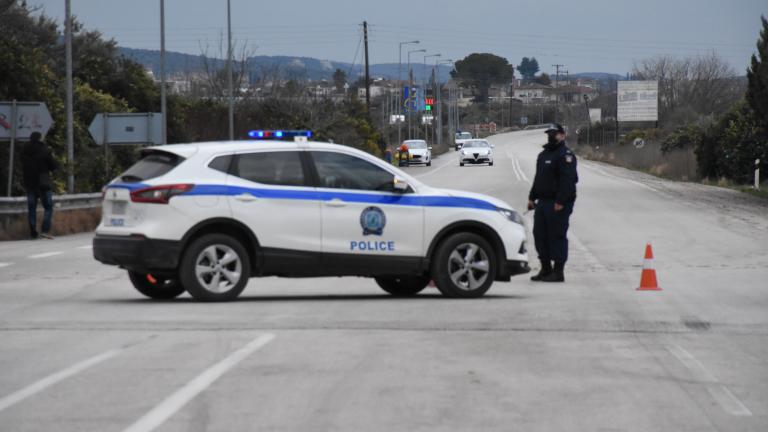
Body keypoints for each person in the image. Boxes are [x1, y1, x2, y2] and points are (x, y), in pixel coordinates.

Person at [527, 123, 578, 282]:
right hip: (542, 202)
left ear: (562, 135)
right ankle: (546, 268)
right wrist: (531, 197)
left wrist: (561, 201)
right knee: (539, 235)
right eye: (549, 133)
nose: (551, 136)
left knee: (556, 235)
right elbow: (538, 178)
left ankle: (558, 271)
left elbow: (568, 181)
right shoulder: (543, 155)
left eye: (554, 133)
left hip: (558, 203)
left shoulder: (565, 155)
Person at [21, 132, 57, 239]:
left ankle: (33, 231)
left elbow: (21, 163)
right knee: (48, 207)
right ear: (40, 138)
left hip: (30, 183)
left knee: (31, 208)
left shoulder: (24, 150)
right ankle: (45, 230)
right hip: (43, 183)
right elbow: (53, 165)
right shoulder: (44, 150)